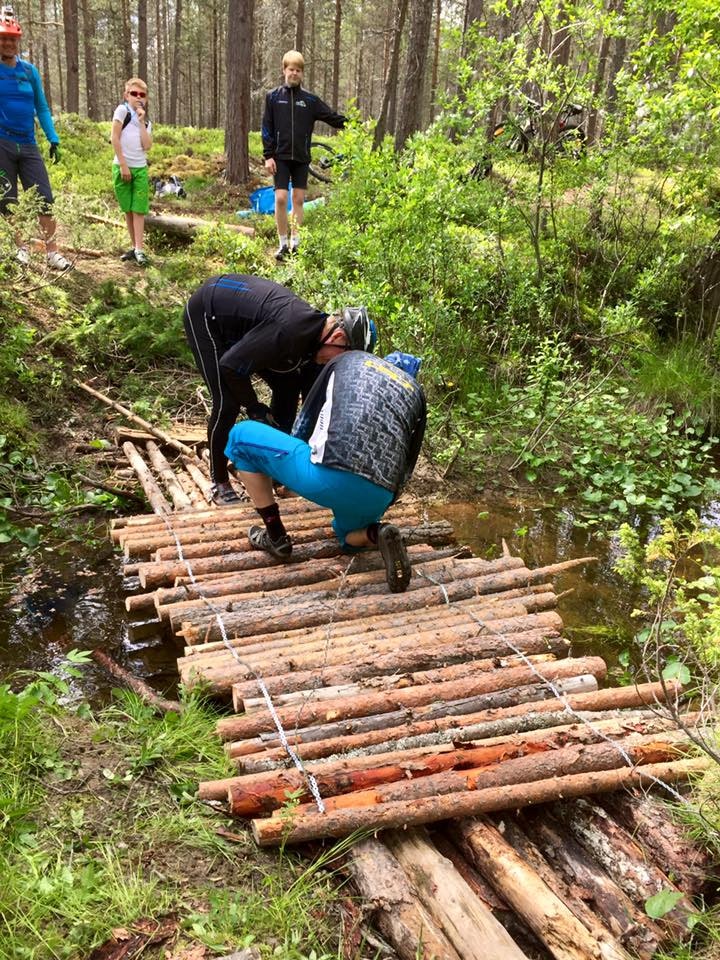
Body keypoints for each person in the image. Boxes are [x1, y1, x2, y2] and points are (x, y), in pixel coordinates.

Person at [224, 351, 427, 594]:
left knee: (240, 436)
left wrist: (284, 473)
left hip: (329, 478)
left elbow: (307, 418)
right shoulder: (415, 392)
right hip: (379, 493)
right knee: (347, 536)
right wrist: (384, 501)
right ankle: (377, 532)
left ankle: (276, 537)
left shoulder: (349, 360)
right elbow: (408, 462)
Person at [183, 273, 376, 506]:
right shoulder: (290, 330)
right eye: (344, 357)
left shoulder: (316, 342)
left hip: (245, 330)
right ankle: (219, 481)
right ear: (337, 336)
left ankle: (276, 471)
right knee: (228, 403)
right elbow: (231, 365)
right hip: (207, 313)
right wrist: (255, 407)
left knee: (288, 388)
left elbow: (312, 409)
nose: (337, 364)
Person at [0, 5, 71, 271]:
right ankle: (20, 250)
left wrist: (53, 138)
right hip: (1, 143)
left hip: (28, 143)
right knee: (8, 200)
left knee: (44, 197)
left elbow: (41, 106)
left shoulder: (29, 71)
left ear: (18, 41)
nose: (7, 43)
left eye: (11, 39)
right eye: (3, 38)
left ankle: (52, 252)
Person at [262, 50, 346, 261]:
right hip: (280, 156)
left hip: (301, 157)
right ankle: (282, 244)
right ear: (284, 70)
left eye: (298, 70)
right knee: (280, 198)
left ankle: (296, 244)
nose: (295, 73)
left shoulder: (309, 100)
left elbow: (331, 117)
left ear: (302, 73)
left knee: (298, 199)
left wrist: (352, 123)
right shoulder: (273, 97)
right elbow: (267, 127)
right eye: (291, 69)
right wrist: (268, 155)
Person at [111, 77, 153, 266]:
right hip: (122, 167)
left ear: (146, 99)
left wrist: (142, 121)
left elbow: (147, 146)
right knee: (128, 209)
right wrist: (123, 164)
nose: (138, 97)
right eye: (134, 94)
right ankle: (134, 247)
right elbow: (115, 137)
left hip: (140, 169)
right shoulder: (122, 111)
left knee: (138, 210)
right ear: (126, 95)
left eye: (142, 95)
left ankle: (140, 249)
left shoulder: (147, 121)